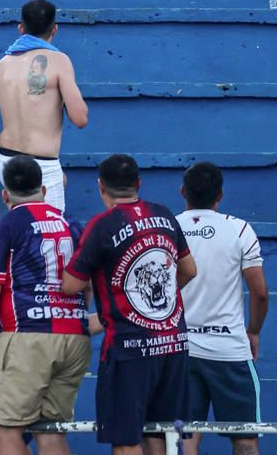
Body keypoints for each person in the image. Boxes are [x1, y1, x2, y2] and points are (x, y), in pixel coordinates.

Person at [62, 153, 195, 455]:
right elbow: (189, 270)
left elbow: (71, 284)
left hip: (129, 349)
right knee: (160, 436)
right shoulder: (164, 214)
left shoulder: (102, 225)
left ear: (101, 187)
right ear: (138, 183)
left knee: (125, 441)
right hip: (173, 344)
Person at [0, 155, 91, 455]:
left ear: (5, 194)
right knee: (51, 432)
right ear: (44, 189)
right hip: (74, 336)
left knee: (4, 431)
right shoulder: (71, 225)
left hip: (27, 336)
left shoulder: (7, 225)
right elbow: (85, 285)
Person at [0, 0, 89, 210]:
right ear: (55, 29)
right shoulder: (59, 61)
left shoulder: (0, 66)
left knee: (20, 230)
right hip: (43, 165)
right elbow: (80, 119)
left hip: (8, 162)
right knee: (49, 234)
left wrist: (4, 142)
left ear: (20, 28)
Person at [176, 161, 267, 455]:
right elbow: (260, 293)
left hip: (182, 350)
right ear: (221, 195)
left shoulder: (170, 228)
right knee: (244, 439)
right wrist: (253, 331)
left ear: (182, 192)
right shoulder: (239, 229)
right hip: (230, 351)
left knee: (185, 438)